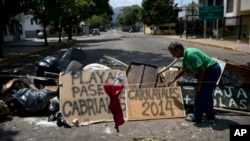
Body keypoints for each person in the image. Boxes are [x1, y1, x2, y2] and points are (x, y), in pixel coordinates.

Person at [167, 41, 221, 123]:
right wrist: (173, 79)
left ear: (177, 50)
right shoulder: (185, 57)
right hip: (209, 71)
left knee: (200, 94)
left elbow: (201, 70)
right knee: (207, 94)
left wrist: (198, 85)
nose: (173, 55)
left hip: (212, 71)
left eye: (173, 53)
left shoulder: (190, 54)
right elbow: (183, 70)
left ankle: (197, 117)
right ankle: (210, 115)